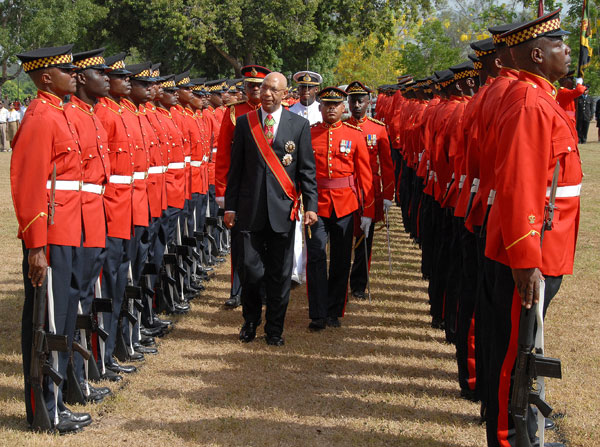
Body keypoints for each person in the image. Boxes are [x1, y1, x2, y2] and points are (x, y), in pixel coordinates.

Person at [484, 10, 578, 447]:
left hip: (548, 246)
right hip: (532, 250)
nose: (567, 50)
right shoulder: (528, 103)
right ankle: (510, 438)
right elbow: (520, 184)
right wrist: (526, 261)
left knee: (526, 348)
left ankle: (524, 432)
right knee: (515, 357)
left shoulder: (539, 97)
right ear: (538, 55)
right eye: (559, 45)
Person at [12, 43, 92, 434]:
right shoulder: (41, 117)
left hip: (70, 228)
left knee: (60, 319)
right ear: (46, 77)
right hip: (52, 234)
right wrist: (37, 246)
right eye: (67, 70)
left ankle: (55, 402)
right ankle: (47, 409)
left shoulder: (60, 113)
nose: (75, 75)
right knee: (48, 323)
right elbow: (29, 186)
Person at [224, 72, 318, 346]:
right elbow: (236, 169)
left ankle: (275, 329)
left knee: (279, 275)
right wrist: (229, 206)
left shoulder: (298, 125)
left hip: (282, 211)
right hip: (249, 211)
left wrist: (310, 205)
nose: (267, 94)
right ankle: (251, 320)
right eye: (264, 88)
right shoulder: (245, 123)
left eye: (274, 90)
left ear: (285, 95)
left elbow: (306, 171)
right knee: (251, 271)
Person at [305, 86, 374, 330]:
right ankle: (317, 312)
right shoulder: (309, 134)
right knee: (315, 257)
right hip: (315, 205)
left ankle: (334, 310)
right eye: (327, 104)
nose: (331, 108)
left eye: (336, 104)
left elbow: (365, 175)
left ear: (344, 107)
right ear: (320, 107)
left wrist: (368, 211)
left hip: (345, 205)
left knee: (341, 260)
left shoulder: (354, 135)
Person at [215, 64, 271, 308]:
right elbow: (223, 156)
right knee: (239, 242)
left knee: (268, 240)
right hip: (242, 187)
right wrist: (221, 192)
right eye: (250, 86)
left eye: (259, 86)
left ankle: (265, 289)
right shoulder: (233, 113)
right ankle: (236, 290)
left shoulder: (276, 112)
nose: (254, 90)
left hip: (269, 186)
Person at [344, 81, 394, 300]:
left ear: (368, 102)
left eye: (360, 100)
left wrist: (388, 196)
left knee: (366, 239)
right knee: (345, 236)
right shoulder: (343, 126)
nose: (356, 104)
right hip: (346, 190)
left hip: (370, 193)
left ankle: (358, 284)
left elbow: (387, 165)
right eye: (352, 100)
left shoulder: (378, 129)